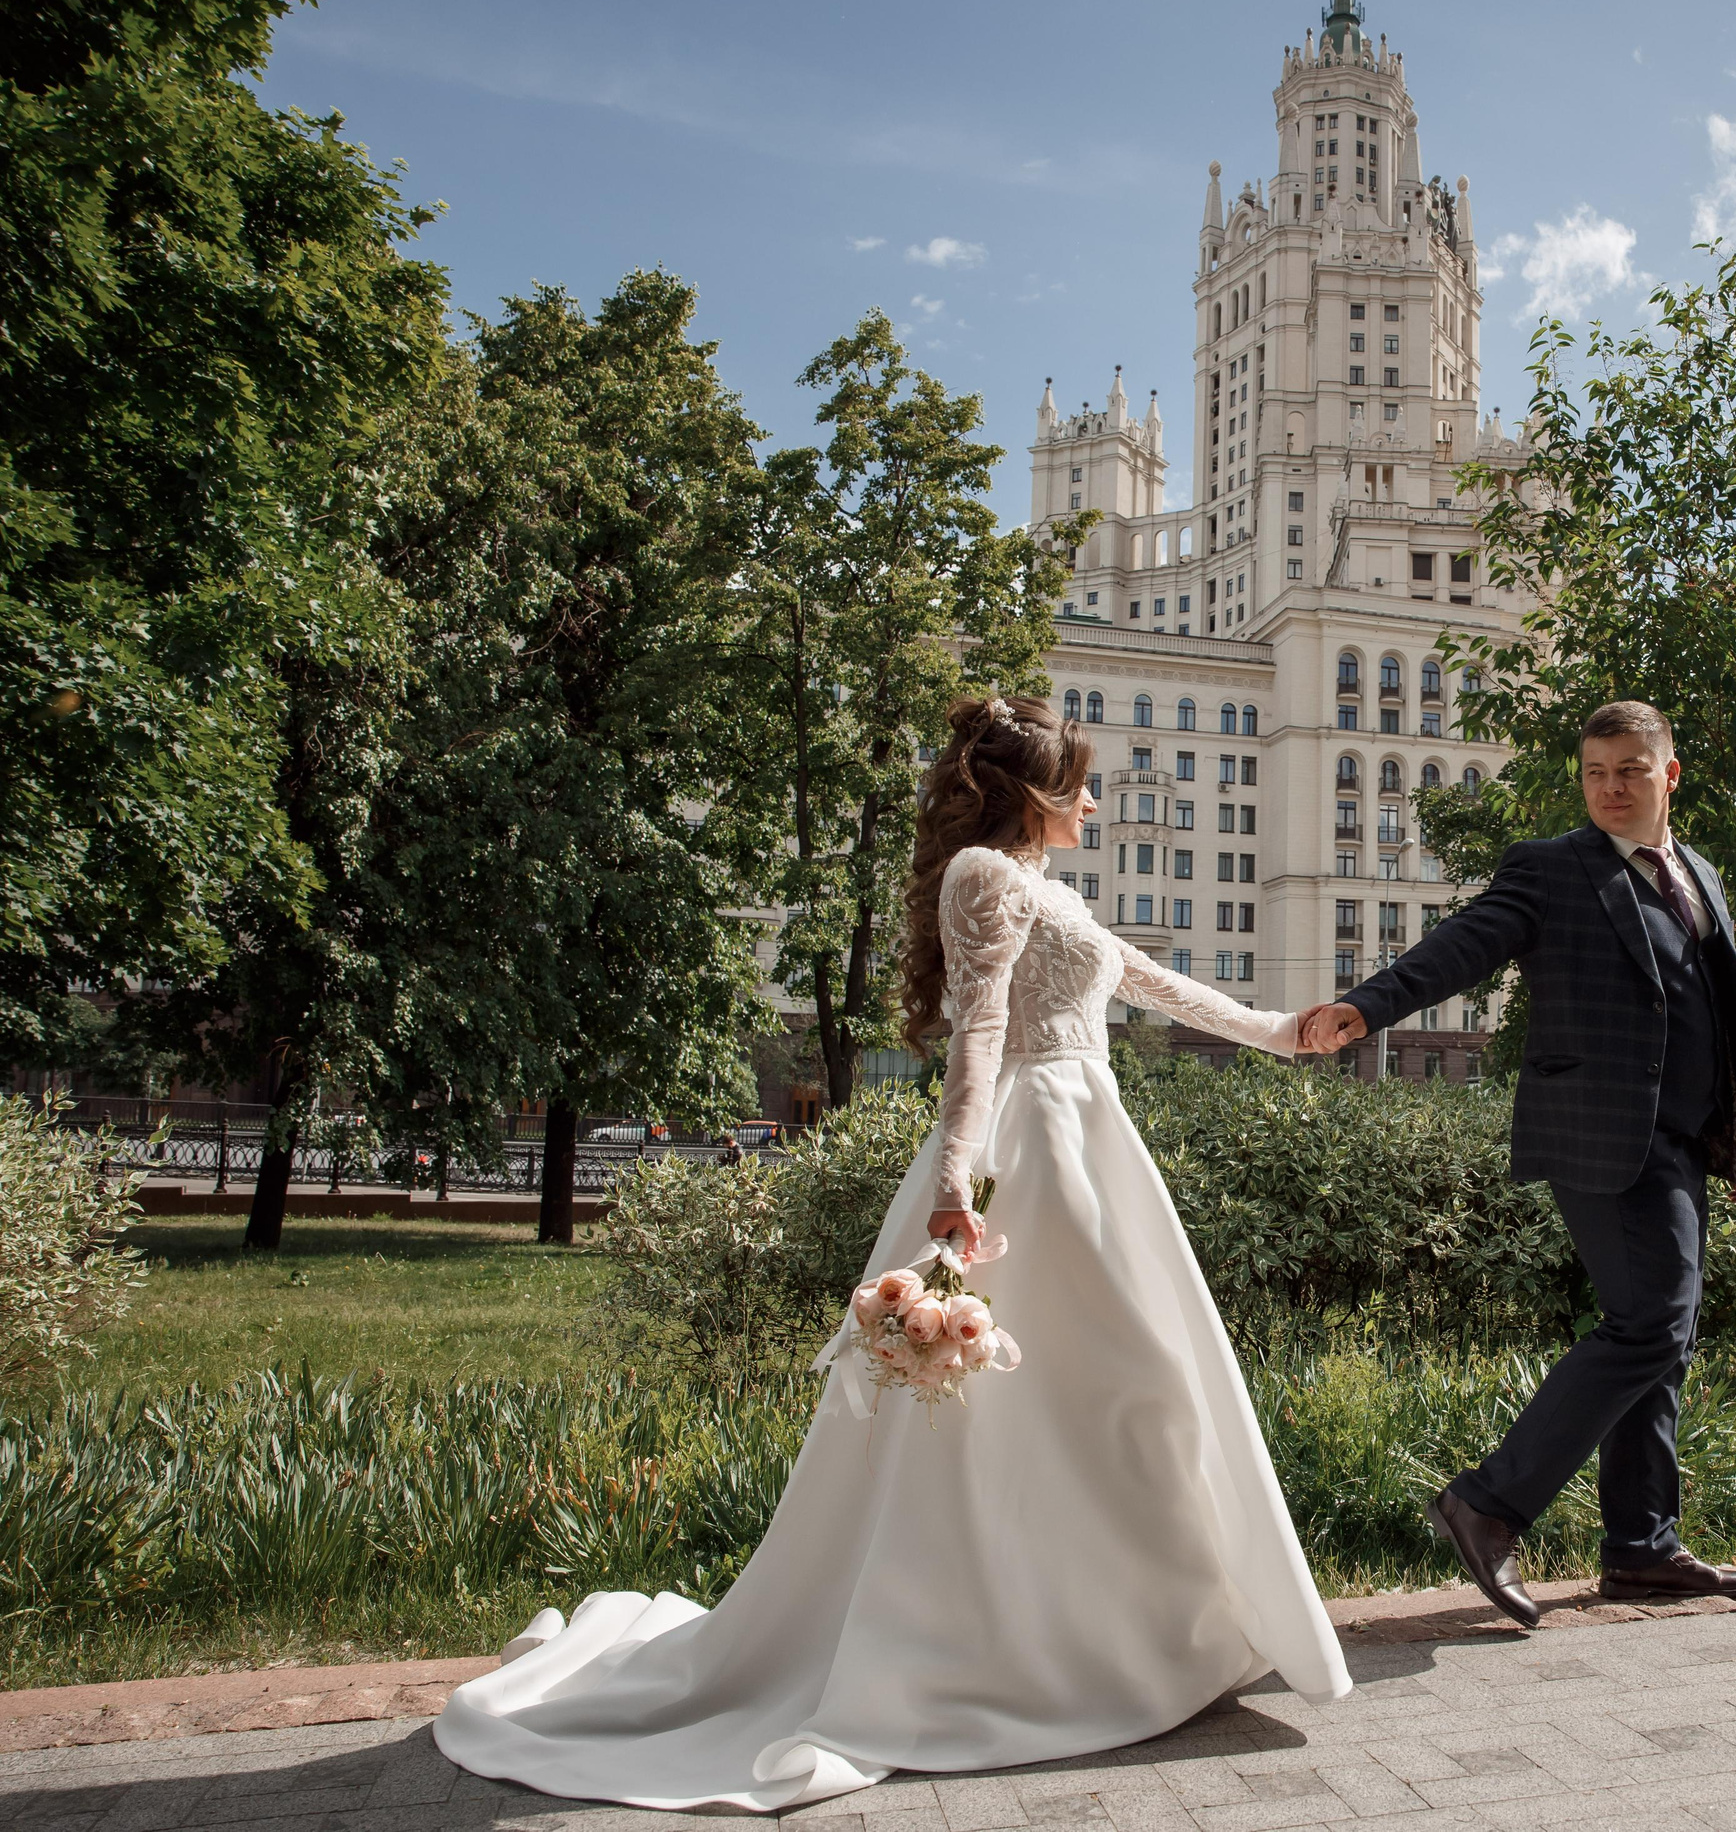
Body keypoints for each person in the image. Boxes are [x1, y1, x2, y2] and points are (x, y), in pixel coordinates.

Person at [436, 694, 1350, 1814]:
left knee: (1135, 1388)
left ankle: (1140, 1637)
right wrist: (957, 1173)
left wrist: (1281, 1034)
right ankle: (999, 1650)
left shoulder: (1045, 888)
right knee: (1052, 1405)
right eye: (1082, 782)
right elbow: (976, 1036)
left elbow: (1151, 983)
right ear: (1031, 792)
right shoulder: (985, 877)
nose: (1097, 800)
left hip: (1092, 1155)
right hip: (1029, 1154)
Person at [1301, 699, 1736, 1626]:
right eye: (1595, 772)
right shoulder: (1552, 869)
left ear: (1668, 774)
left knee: (1660, 1344)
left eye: (1630, 770)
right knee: (1650, 1324)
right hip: (1598, 1133)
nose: (1610, 788)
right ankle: (1488, 1503)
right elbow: (1466, 942)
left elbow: (1720, 1013)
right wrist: (1370, 1007)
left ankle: (1641, 1547)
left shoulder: (1697, 873)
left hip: (1680, 1139)